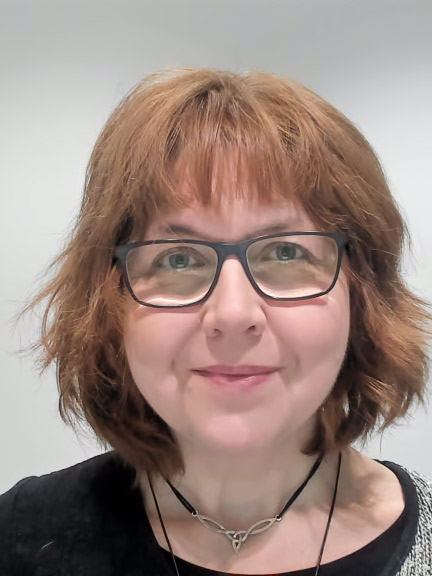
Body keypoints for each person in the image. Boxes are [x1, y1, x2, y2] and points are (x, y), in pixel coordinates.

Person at [1, 67, 431, 576]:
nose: (232, 314)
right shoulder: (19, 538)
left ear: (362, 295)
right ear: (108, 303)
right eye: (178, 258)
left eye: (286, 252)